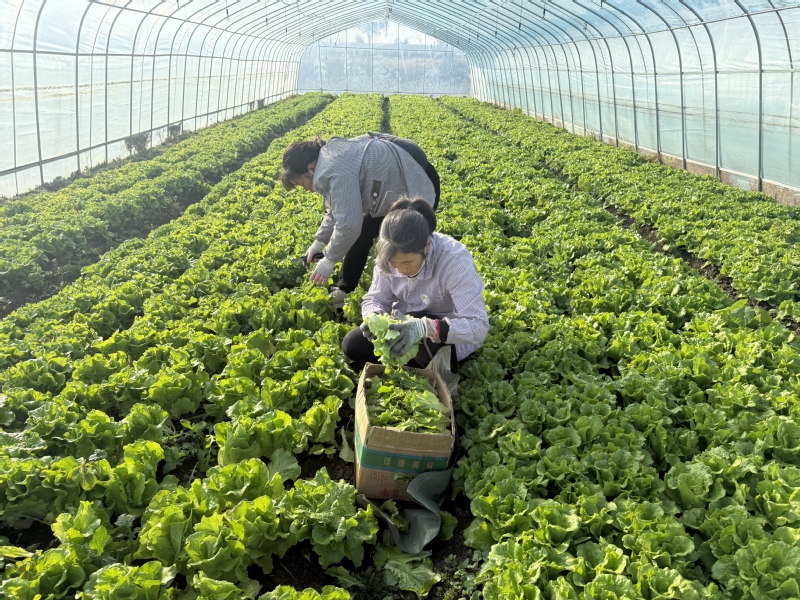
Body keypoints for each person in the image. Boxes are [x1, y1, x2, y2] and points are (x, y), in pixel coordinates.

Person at [280, 133, 440, 307]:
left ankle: (421, 298)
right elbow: (338, 209)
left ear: (311, 168)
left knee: (405, 245)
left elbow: (349, 225)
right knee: (363, 234)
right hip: (392, 192)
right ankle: (345, 289)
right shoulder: (330, 157)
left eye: (302, 183)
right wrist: (319, 242)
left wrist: (329, 260)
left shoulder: (334, 168)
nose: (306, 189)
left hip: (416, 186)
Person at [341, 198, 489, 372]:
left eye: (407, 262)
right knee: (353, 345)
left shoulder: (454, 260)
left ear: (427, 246)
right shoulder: (387, 255)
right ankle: (409, 364)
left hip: (443, 328)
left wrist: (424, 328)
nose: (400, 270)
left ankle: (423, 365)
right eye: (393, 263)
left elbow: (478, 325)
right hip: (402, 319)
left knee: (422, 356)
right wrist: (374, 318)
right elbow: (376, 298)